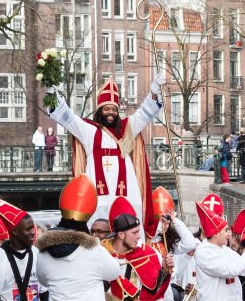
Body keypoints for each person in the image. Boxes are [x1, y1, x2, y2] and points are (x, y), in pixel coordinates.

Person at [48, 72, 166, 234]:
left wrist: (155, 88)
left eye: (114, 109)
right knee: (97, 233)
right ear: (99, 110)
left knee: (129, 232)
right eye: (107, 109)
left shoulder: (127, 129)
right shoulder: (89, 130)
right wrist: (51, 92)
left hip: (126, 193)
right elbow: (68, 117)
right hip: (98, 195)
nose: (111, 113)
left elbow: (145, 113)